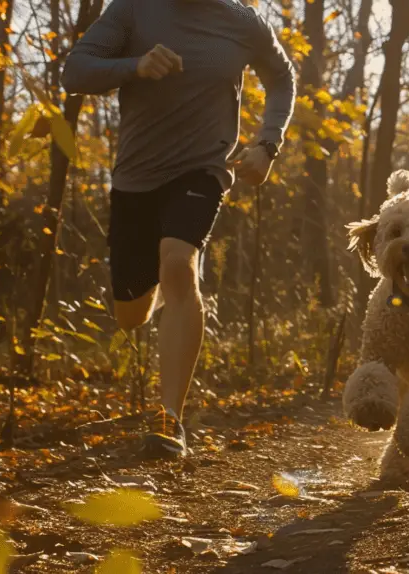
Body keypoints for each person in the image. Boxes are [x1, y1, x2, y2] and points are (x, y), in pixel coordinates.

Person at [61, 0, 296, 458]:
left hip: (203, 169)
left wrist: (268, 144)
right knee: (130, 314)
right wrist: (135, 65)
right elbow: (75, 72)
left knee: (179, 264)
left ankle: (169, 422)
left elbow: (282, 77)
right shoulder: (132, 10)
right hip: (135, 178)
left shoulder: (243, 21)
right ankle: (166, 285)